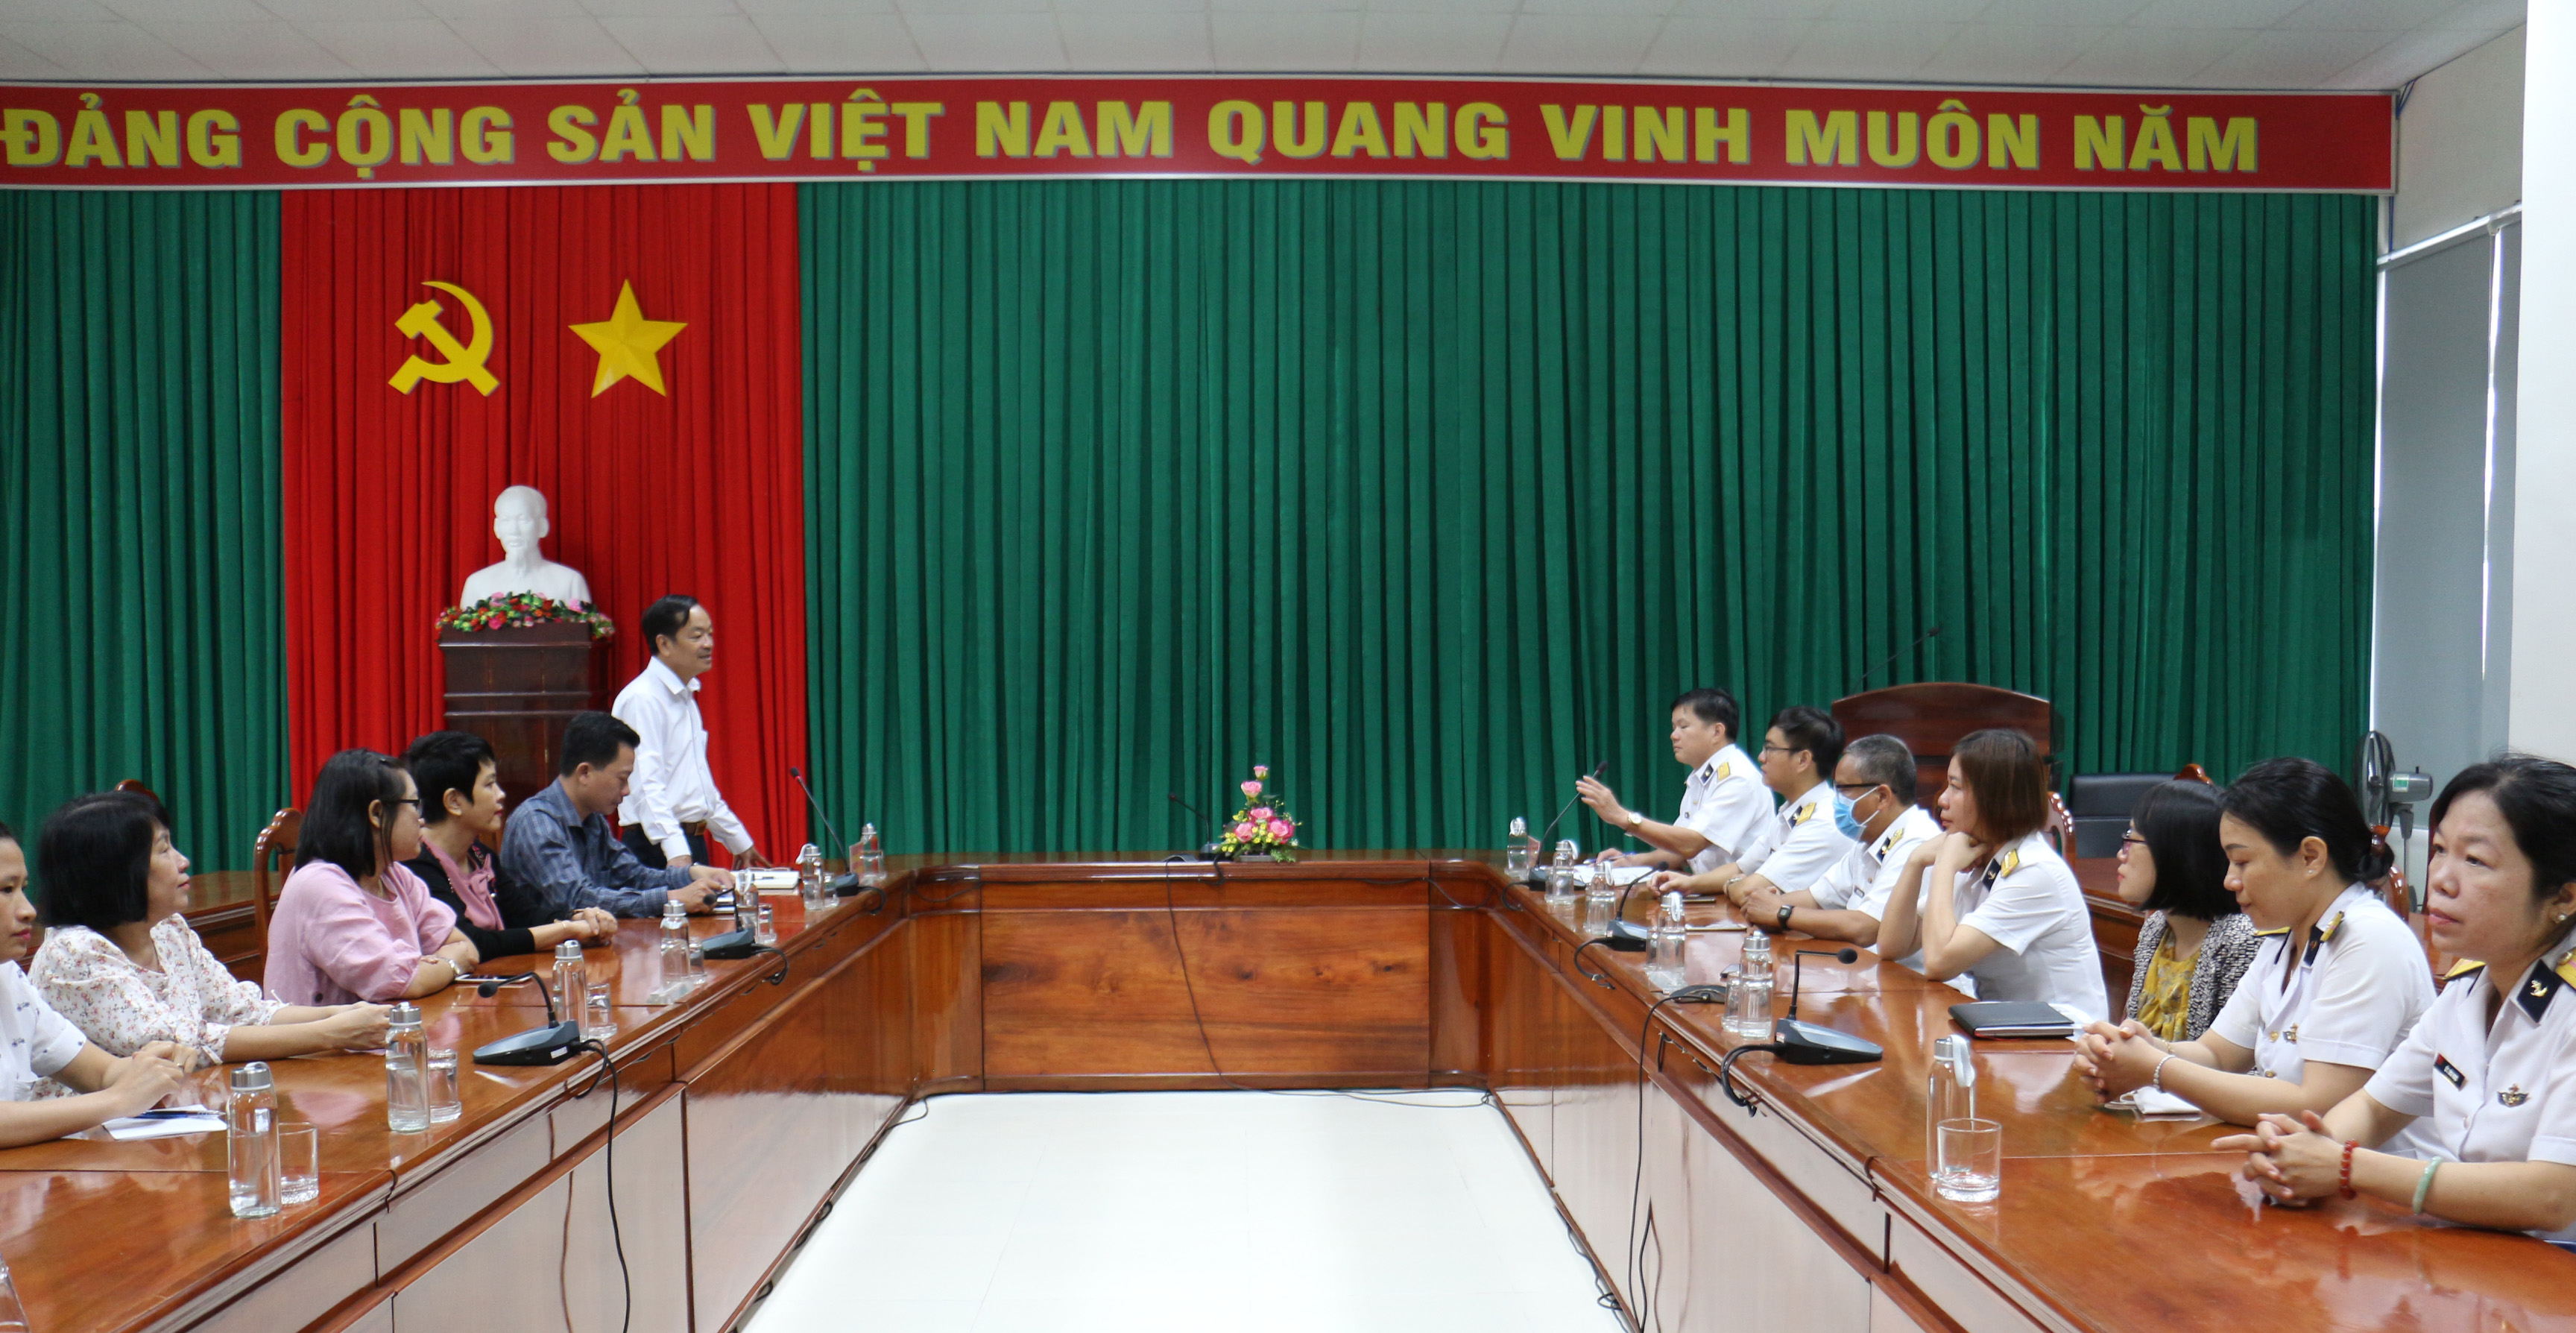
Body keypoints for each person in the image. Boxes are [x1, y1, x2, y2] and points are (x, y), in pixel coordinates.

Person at [2220, 755, 2576, 1242]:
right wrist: (2302, 1154)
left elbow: (2553, 1196)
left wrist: (2345, 1167)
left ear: (2564, 897)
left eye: (2476, 861)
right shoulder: (2469, 986)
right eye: (2440, 850)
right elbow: (2374, 1107)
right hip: (2478, 1253)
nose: (2442, 878)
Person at [2071, 757, 2432, 1148]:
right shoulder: (2285, 936)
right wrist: (2141, 1048)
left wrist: (2155, 1068)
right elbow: (2216, 1054)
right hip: (2293, 1163)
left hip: (2378, 1174)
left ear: (2311, 857)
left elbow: (2316, 1105)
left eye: (2242, 861)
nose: (2229, 880)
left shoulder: (2367, 939)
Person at [28, 791, 389, 1078]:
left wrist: (347, 1014)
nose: (183, 861)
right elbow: (184, 1043)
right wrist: (332, 1033)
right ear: (115, 872)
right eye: (164, 850)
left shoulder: (168, 930)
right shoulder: (73, 953)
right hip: (88, 1138)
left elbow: (240, 1011)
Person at [1878, 728, 2108, 1018]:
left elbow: (1939, 962)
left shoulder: (2033, 871)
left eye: (1956, 787)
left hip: (2065, 1037)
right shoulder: (1976, 853)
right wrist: (1915, 862)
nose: (1942, 800)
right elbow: (1891, 946)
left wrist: (1945, 865)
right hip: (2003, 1026)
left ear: (1995, 798)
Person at [0, 818, 189, 1147]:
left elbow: (99, 1072)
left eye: (23, 889)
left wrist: (149, 1068)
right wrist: (117, 1101)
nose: (28, 911)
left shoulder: (8, 976)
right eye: (6, 890)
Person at [266, 749, 479, 1006]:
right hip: (327, 1034)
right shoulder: (319, 885)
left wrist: (433, 969)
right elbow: (404, 982)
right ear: (377, 813)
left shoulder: (395, 875)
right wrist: (451, 964)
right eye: (415, 805)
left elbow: (467, 948)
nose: (422, 819)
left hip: (388, 1026)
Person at [402, 730, 617, 962]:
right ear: (454, 801)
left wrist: (577, 918)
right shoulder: (418, 864)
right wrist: (567, 930)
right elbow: (472, 942)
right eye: (489, 785)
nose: (501, 794)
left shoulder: (479, 854)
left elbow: (524, 915)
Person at [503, 711, 730, 919]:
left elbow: (635, 877)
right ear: (584, 773)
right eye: (622, 779)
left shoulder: (593, 820)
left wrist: (692, 874)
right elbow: (577, 899)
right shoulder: (536, 822)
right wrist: (672, 899)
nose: (627, 791)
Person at [1652, 706, 1857, 927]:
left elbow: (1749, 892)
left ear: (1803, 760)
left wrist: (1735, 884)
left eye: (1770, 749)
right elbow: (1741, 868)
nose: (1761, 757)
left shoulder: (1823, 821)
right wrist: (1689, 883)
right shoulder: (1791, 812)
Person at [613, 594, 765, 872]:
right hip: (657, 846)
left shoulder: (686, 696)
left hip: (690, 841)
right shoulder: (642, 699)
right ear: (664, 644)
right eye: (697, 636)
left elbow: (698, 787)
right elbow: (646, 785)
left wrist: (738, 840)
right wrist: (676, 852)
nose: (708, 644)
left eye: (710, 634)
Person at [1752, 734, 1943, 948]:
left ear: (1882, 797)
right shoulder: (1868, 839)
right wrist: (1767, 904)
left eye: (1844, 789)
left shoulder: (1915, 841)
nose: (1836, 800)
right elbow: (1816, 898)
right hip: (1860, 963)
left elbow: (1866, 927)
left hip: (1898, 969)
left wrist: (1782, 913)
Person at [2113, 779, 2258, 1041]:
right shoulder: (2157, 927)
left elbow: (2235, 1062)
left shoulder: (2241, 942)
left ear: (2177, 853)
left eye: (2131, 840)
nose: (2121, 855)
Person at [1579, 687, 1770, 875]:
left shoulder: (1738, 777)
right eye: (1674, 728)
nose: (1674, 735)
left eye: (1683, 727)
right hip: (1710, 889)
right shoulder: (1702, 776)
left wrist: (1623, 817)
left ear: (1717, 732)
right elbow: (1680, 849)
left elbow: (1691, 844)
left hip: (1740, 893)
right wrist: (1632, 861)